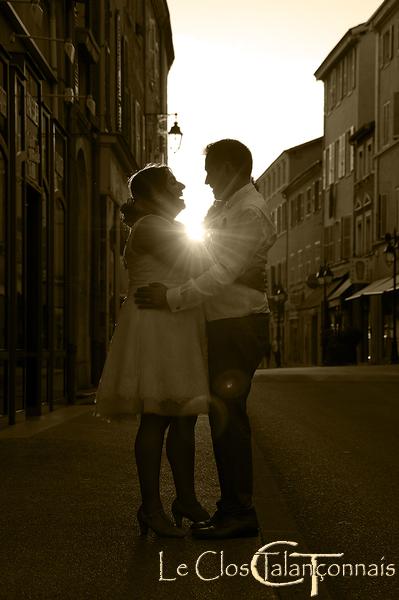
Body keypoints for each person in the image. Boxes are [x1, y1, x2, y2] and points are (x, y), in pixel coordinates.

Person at [135, 139, 277, 539]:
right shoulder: (227, 208)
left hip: (239, 322)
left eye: (212, 169)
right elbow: (211, 262)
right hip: (224, 321)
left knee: (228, 418)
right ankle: (231, 507)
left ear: (230, 167)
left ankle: (239, 512)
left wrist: (172, 295)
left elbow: (221, 272)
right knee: (221, 416)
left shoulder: (248, 211)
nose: (206, 179)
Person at [95, 165, 211, 537]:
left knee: (184, 417)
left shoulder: (157, 225)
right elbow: (201, 264)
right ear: (153, 194)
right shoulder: (152, 226)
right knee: (158, 417)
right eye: (171, 183)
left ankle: (185, 499)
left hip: (172, 322)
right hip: (158, 327)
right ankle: (151, 506)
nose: (181, 186)